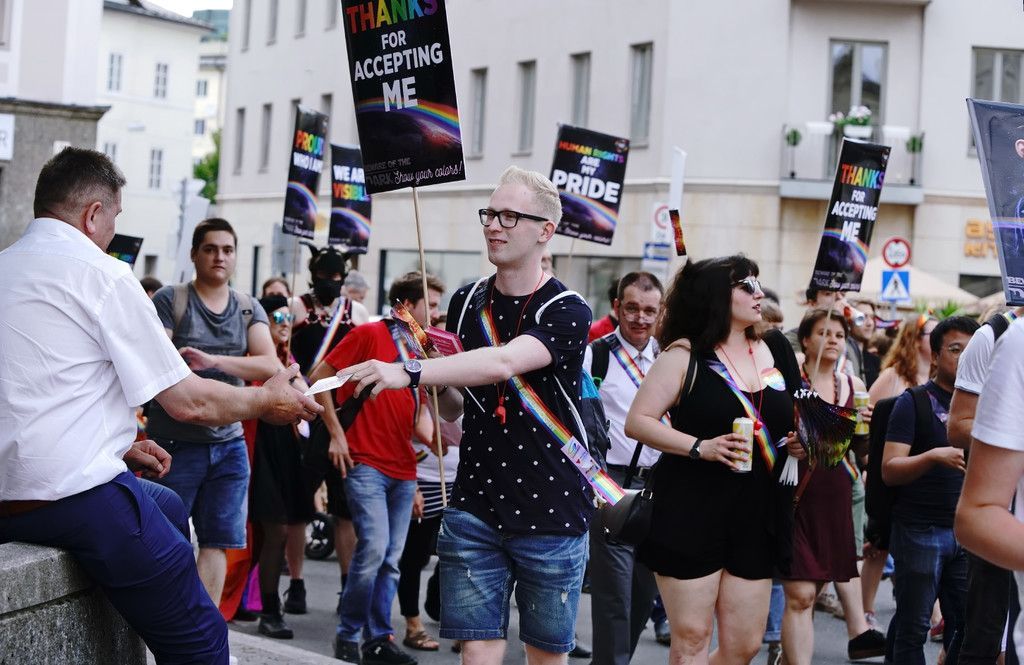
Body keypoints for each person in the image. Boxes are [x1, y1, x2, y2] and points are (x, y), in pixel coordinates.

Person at [0, 147, 321, 664]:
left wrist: (119, 444)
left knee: (169, 507)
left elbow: (34, 388)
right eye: (115, 218)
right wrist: (266, 399)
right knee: (205, 638)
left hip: (11, 492)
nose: (112, 233)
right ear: (93, 214)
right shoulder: (102, 274)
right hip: (67, 499)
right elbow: (189, 401)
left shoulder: (5, 266)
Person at [338, 166, 595, 665]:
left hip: (551, 506)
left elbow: (504, 363)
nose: (494, 225)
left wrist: (410, 371)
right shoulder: (466, 300)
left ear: (545, 230)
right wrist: (437, 373)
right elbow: (458, 407)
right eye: (490, 213)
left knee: (545, 655)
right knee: (476, 650)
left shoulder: (567, 308)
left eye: (509, 216)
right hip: (475, 501)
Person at [624, 255, 801, 664]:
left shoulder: (775, 347)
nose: (758, 293)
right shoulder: (683, 355)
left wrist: (801, 443)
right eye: (746, 285)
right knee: (692, 639)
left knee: (745, 645)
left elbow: (797, 417)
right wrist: (699, 447)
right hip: (690, 510)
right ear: (716, 296)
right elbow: (638, 421)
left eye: (758, 283)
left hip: (758, 513)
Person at [146, 218, 281, 610]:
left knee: (218, 542)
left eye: (227, 249)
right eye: (210, 249)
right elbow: (159, 361)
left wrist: (213, 361)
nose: (219, 256)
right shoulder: (171, 300)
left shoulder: (247, 307)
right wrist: (236, 364)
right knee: (164, 541)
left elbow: (269, 364)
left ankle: (206, 631)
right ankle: (166, 626)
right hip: (174, 444)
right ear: (194, 254)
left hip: (229, 444)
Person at [308, 271, 441, 665]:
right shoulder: (369, 334)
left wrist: (434, 444)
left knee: (390, 562)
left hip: (404, 470)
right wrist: (336, 434)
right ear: (407, 305)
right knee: (374, 551)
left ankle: (378, 639)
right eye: (431, 305)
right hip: (365, 462)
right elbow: (319, 378)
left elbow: (413, 414)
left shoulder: (420, 350)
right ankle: (348, 633)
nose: (436, 313)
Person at [780, 309, 884, 665]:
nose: (833, 341)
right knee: (801, 595)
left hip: (835, 497)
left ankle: (787, 656)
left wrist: (867, 428)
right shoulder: (788, 379)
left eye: (840, 335)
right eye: (824, 333)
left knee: (812, 591)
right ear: (806, 340)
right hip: (795, 495)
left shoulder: (853, 386)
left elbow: (860, 450)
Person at [882, 316, 979, 664]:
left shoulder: (985, 404)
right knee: (913, 626)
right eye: (955, 349)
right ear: (935, 356)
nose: (965, 358)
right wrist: (932, 456)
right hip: (919, 529)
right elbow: (890, 469)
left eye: (972, 351)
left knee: (969, 624)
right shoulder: (914, 402)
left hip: (967, 531)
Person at [585, 271, 664, 665]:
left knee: (643, 595)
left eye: (650, 310)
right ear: (616, 307)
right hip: (611, 483)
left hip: (660, 486)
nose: (640, 318)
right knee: (614, 595)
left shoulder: (670, 359)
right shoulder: (594, 355)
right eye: (632, 308)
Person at [290, 245, 369, 615]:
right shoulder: (296, 307)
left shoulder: (357, 313)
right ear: (313, 275)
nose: (331, 282)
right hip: (300, 411)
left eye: (337, 278)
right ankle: (295, 582)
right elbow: (279, 348)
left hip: (343, 416)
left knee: (344, 507)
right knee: (296, 505)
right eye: (325, 276)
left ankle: (347, 587)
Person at [947, 307, 1024, 665]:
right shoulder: (1003, 336)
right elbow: (957, 425)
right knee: (984, 634)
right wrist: (1008, 435)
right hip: (1004, 515)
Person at [862, 313, 938, 628]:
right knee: (879, 546)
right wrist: (868, 464)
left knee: (926, 542)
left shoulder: (941, 376)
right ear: (915, 339)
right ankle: (865, 611)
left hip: (926, 474)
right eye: (932, 333)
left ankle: (934, 614)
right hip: (892, 469)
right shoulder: (893, 376)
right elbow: (868, 418)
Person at [249, 294, 314, 639]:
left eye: (289, 317)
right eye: (278, 317)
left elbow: (307, 394)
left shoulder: (288, 360)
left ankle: (266, 607)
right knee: (272, 532)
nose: (286, 323)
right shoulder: (255, 359)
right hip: (259, 448)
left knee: (281, 530)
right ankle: (269, 611)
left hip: (285, 448)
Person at [397, 413, 459, 653]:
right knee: (415, 555)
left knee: (457, 554)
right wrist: (411, 484)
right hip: (422, 478)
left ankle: (455, 620)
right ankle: (412, 623)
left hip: (458, 479)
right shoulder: (417, 393)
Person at [785, 287, 866, 383]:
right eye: (828, 293)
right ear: (812, 303)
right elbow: (798, 368)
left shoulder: (852, 344)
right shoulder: (792, 338)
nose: (839, 298)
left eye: (843, 294)